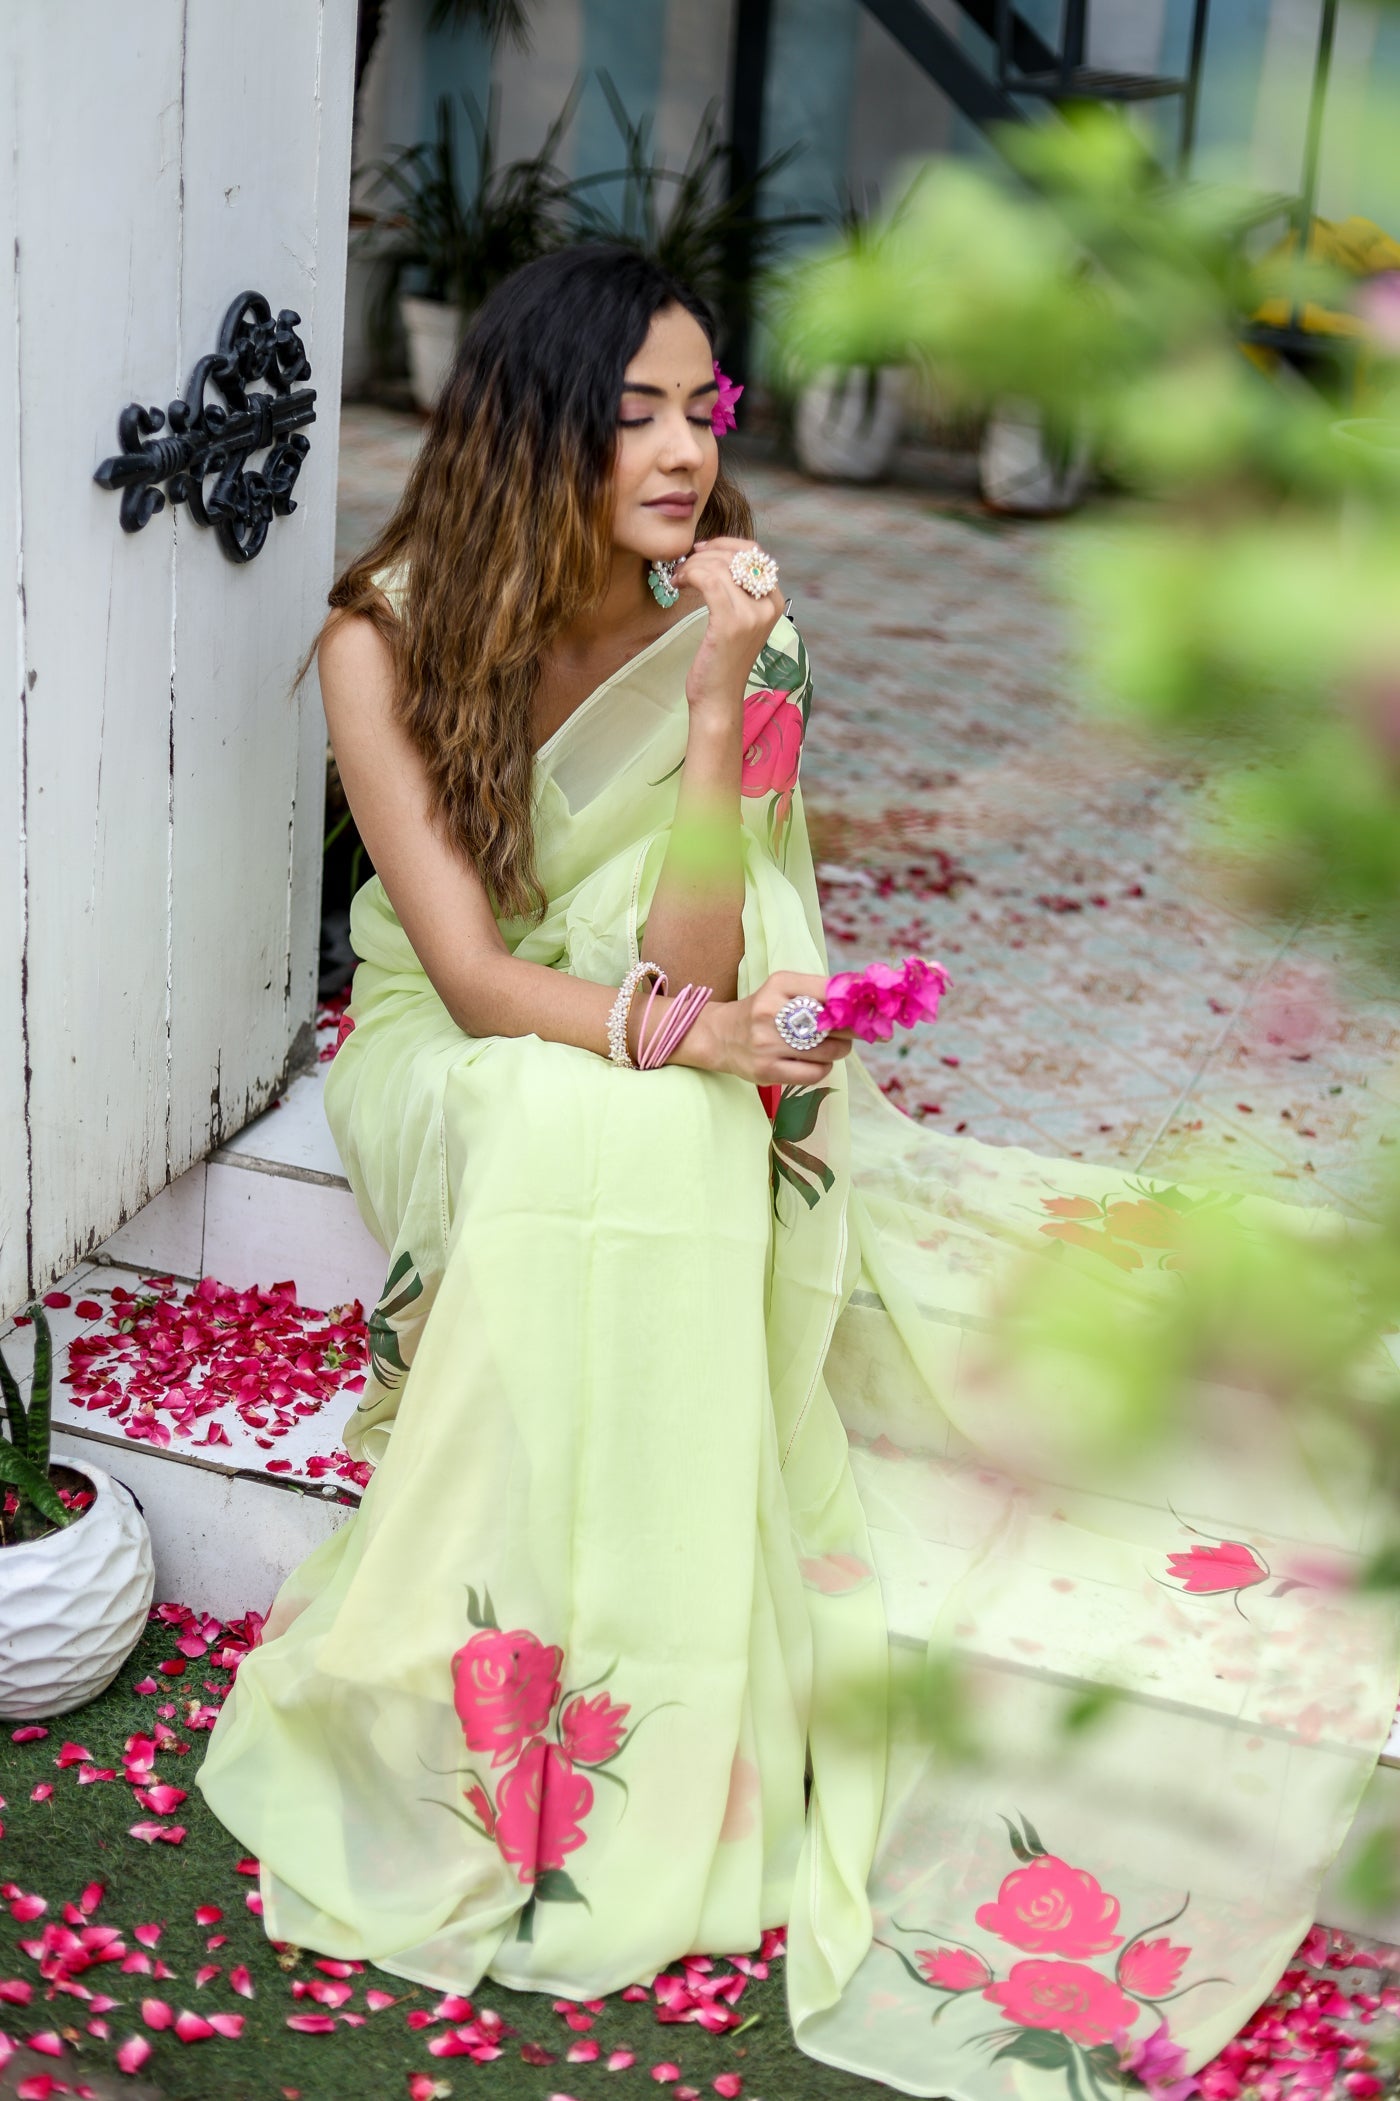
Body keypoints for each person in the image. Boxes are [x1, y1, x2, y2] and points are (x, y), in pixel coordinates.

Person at [198, 245, 1398, 2098]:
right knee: (568, 1101)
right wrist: (680, 1041)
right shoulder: (385, 629)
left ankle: (638, 1671)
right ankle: (481, 1677)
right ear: (535, 424)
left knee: (646, 1111)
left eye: (707, 407)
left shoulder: (741, 620)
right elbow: (468, 975)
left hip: (642, 1029)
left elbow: (686, 950)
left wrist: (713, 691)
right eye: (638, 414)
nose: (686, 449)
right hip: (451, 1045)